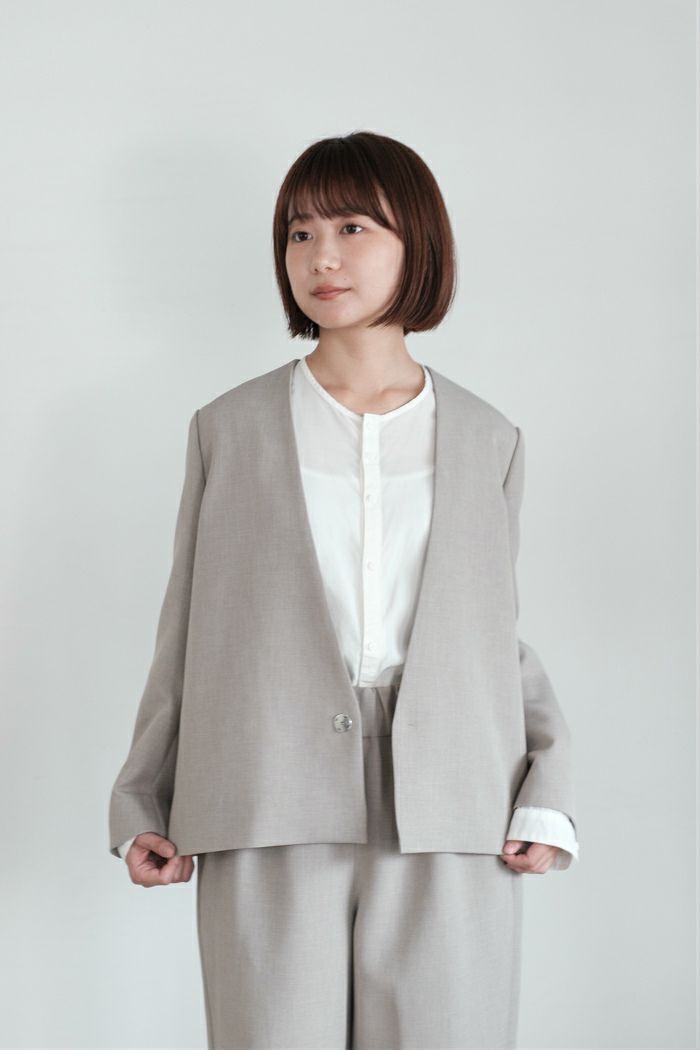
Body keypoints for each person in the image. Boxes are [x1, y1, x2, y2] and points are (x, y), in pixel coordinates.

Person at [108, 130, 579, 1049]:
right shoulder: (229, 429)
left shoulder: (488, 438)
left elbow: (492, 636)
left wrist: (547, 787)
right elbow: (190, 628)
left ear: (417, 243)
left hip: (452, 804)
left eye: (353, 227)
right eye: (299, 233)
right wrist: (142, 800)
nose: (321, 257)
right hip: (265, 788)